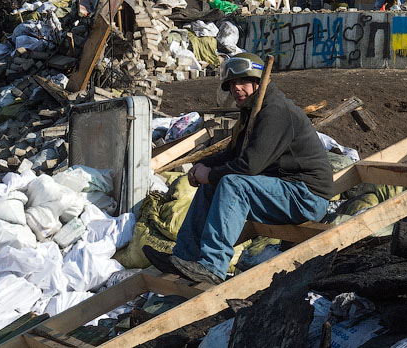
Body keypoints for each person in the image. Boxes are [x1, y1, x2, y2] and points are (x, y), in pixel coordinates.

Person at [142, 53, 332, 285]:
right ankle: (184, 256)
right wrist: (202, 168)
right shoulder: (254, 110)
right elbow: (234, 153)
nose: (236, 89)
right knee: (212, 185)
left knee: (233, 184)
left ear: (258, 82)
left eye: (242, 82)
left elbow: (249, 165)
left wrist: (210, 174)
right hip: (283, 189)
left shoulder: (275, 111)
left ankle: (212, 265)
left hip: (305, 196)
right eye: (232, 84)